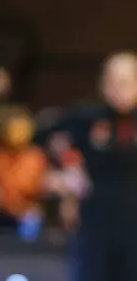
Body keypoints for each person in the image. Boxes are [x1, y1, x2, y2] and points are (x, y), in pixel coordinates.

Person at [51, 52, 137, 281]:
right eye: (113, 81)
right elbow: (52, 141)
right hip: (96, 223)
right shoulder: (86, 118)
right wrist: (68, 173)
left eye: (126, 81)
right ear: (104, 85)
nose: (120, 88)